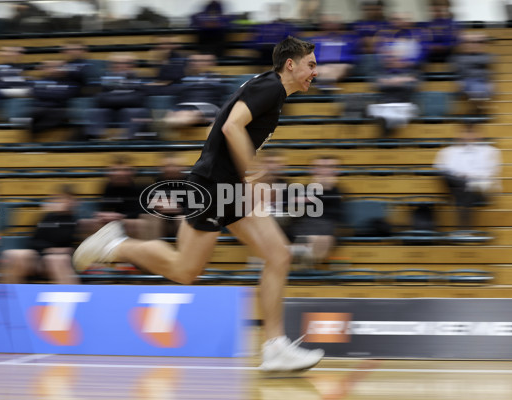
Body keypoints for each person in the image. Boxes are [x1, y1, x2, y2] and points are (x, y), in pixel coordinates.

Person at [73, 36, 324, 372]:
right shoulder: (271, 88)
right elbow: (233, 126)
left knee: (278, 254)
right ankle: (117, 244)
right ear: (290, 64)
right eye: (311, 64)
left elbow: (222, 125)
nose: (315, 72)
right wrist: (254, 174)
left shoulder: (268, 89)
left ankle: (274, 346)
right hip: (214, 186)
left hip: (228, 187)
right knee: (184, 270)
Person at [0, 185, 80, 284]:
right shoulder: (48, 217)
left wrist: (58, 250)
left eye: (67, 199)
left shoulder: (75, 221)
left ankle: (69, 296)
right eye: (61, 199)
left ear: (73, 202)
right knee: (14, 254)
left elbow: (72, 244)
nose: (63, 202)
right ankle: (9, 295)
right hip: (41, 257)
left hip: (63, 261)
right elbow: (34, 242)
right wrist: (49, 249)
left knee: (56, 259)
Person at [434, 123, 501, 233]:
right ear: (459, 134)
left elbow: (491, 173)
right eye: (466, 132)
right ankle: (465, 230)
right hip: (455, 187)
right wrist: (463, 178)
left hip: (480, 187)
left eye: (473, 132)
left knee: (469, 185)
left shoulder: (490, 151)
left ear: (480, 134)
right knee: (459, 182)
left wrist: (468, 177)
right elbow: (442, 171)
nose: (469, 136)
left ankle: (463, 230)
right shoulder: (448, 151)